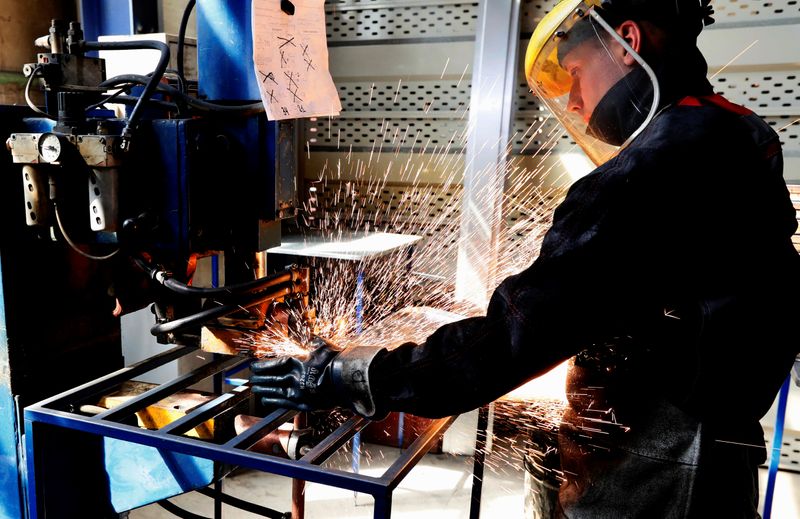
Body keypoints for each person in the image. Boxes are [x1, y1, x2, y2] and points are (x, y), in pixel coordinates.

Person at [251, 1, 800, 517]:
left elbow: (517, 333)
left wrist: (362, 375)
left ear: (626, 44)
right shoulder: (737, 131)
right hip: (717, 451)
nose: (577, 103)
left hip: (659, 468)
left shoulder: (650, 171)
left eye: (577, 73)